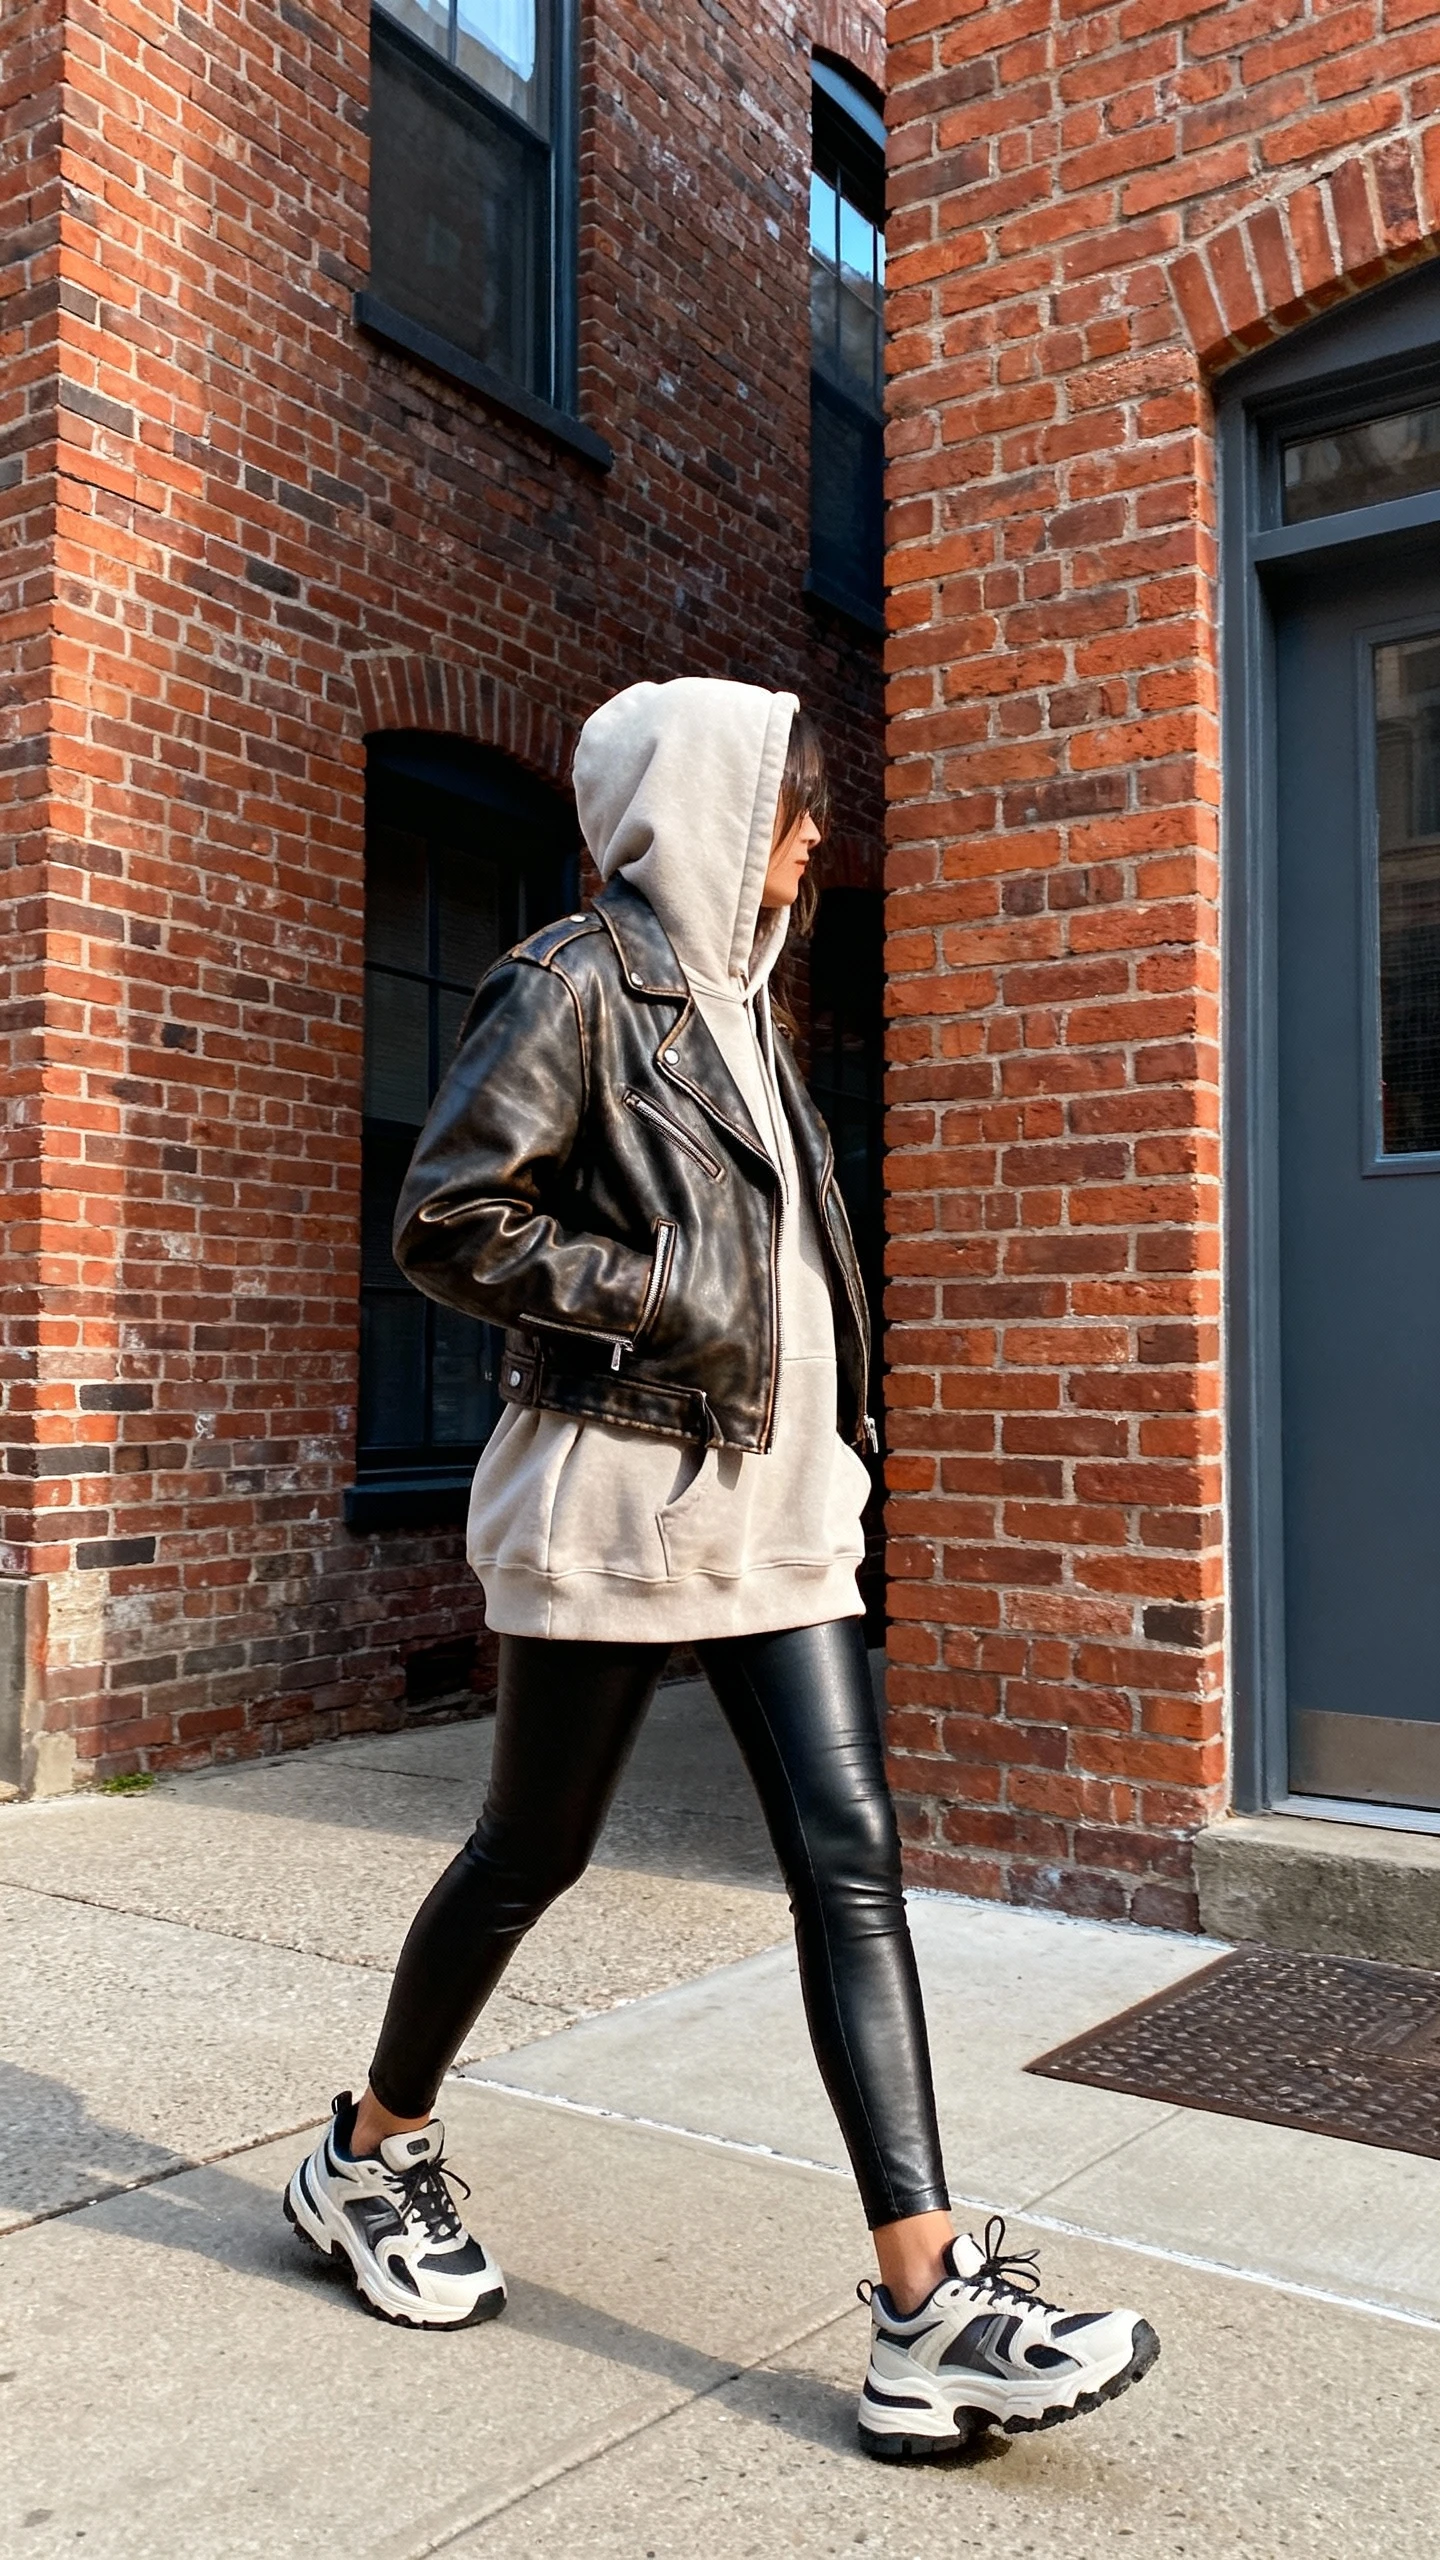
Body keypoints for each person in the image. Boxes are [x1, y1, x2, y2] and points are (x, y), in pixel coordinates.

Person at [284, 678, 1159, 2458]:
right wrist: (661, 1294)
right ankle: (368, 2152)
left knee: (854, 1864)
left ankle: (926, 2305)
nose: (815, 832)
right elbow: (449, 1218)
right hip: (624, 1504)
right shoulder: (571, 983)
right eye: (790, 799)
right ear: (705, 801)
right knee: (531, 1852)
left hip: (779, 1512)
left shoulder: (749, 1006)